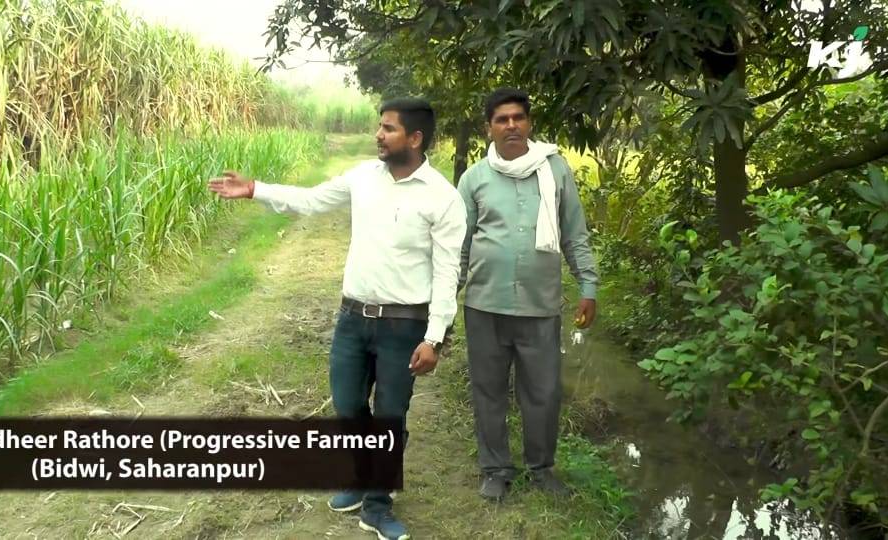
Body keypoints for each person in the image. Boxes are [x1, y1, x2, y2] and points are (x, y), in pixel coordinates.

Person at [208, 97, 466, 540]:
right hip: (352, 319)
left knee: (389, 416)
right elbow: (310, 200)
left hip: (403, 326)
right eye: (379, 127)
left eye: (388, 128)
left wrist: (435, 337)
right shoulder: (364, 177)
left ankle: (378, 504)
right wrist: (256, 190)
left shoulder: (442, 197)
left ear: (416, 138)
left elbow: (447, 271)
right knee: (347, 408)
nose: (379, 135)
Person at [456, 88, 600, 501]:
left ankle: (542, 468)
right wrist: (445, 303)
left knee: (544, 392)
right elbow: (460, 246)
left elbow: (575, 233)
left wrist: (587, 286)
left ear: (530, 124)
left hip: (540, 305)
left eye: (518, 117)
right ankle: (495, 469)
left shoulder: (555, 171)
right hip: (485, 305)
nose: (511, 125)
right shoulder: (475, 178)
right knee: (489, 390)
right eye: (502, 119)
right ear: (490, 128)